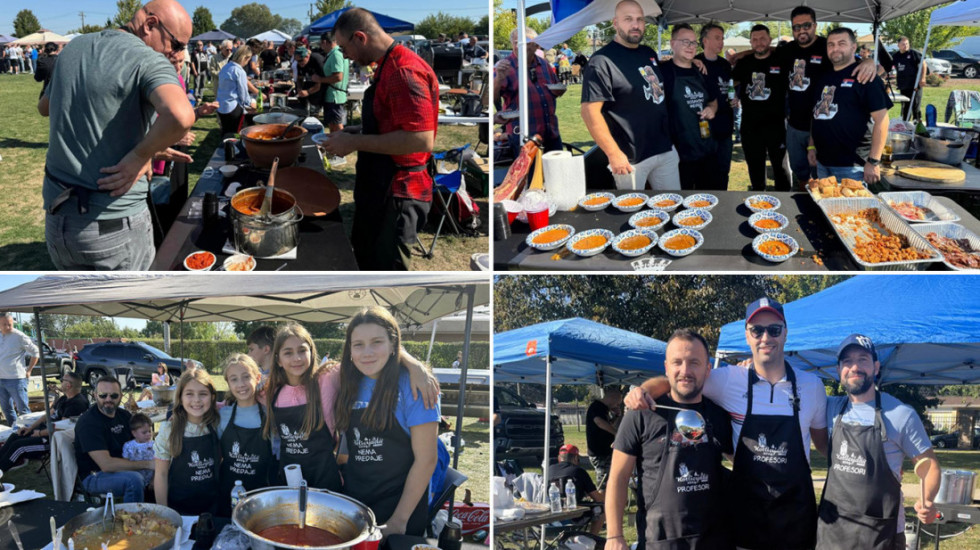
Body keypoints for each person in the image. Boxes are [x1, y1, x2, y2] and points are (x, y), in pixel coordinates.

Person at [627, 297, 829, 550]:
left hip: (796, 519)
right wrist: (643, 389)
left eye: (774, 329)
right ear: (747, 335)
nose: (765, 337)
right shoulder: (728, 379)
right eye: (757, 330)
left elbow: (824, 444)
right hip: (747, 518)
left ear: (785, 334)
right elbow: (681, 380)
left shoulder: (812, 386)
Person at [38, 0, 196, 270]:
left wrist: (145, 144)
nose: (178, 53)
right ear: (150, 25)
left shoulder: (73, 47)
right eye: (178, 44)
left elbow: (45, 107)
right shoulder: (147, 58)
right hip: (114, 224)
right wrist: (140, 155)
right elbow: (181, 116)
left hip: (58, 222)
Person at [319, 8, 440, 272]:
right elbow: (392, 122)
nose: (345, 56)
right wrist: (352, 132)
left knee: (385, 272)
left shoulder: (402, 72)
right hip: (381, 185)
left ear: (360, 37)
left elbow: (420, 140)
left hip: (399, 190)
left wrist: (354, 143)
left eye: (344, 47)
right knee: (364, 259)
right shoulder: (387, 65)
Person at [607, 329, 733, 550]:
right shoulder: (641, 414)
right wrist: (614, 536)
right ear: (666, 367)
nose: (685, 371)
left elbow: (742, 465)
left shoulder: (719, 415)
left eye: (694, 363)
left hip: (712, 539)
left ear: (707, 369)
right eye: (677, 362)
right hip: (659, 540)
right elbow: (618, 477)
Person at [816, 334, 941, 550]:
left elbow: (930, 467)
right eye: (847, 361)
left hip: (881, 535)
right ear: (838, 370)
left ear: (875, 367)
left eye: (862, 359)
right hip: (833, 534)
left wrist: (927, 501)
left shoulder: (901, 414)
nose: (855, 367)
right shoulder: (829, 408)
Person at [334, 307, 439, 537]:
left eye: (377, 342)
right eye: (358, 344)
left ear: (393, 345)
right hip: (356, 506)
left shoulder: (415, 387)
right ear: (349, 350)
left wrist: (399, 520)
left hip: (398, 513)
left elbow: (427, 460)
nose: (367, 352)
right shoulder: (347, 383)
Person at [581, 0, 680, 191]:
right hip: (629, 158)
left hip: (664, 148)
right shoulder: (601, 61)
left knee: (672, 207)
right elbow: (589, 112)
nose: (635, 25)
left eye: (640, 19)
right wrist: (613, 153)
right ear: (616, 23)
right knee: (631, 215)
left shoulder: (648, 52)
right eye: (628, 19)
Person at [773, 6, 877, 186]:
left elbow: (851, 61)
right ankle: (804, 196)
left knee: (821, 177)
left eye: (806, 25)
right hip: (794, 125)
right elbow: (764, 52)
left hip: (823, 126)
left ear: (814, 25)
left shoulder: (827, 46)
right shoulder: (786, 51)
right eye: (796, 27)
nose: (801, 30)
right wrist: (741, 54)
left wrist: (869, 61)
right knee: (801, 172)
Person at [808, 27, 891, 184]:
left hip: (852, 166)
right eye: (831, 44)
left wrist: (873, 161)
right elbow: (817, 114)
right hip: (822, 162)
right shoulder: (823, 78)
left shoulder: (866, 76)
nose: (835, 48)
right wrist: (811, 147)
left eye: (841, 43)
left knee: (851, 209)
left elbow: (882, 119)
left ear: (854, 47)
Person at [661, 24, 720, 190]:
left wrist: (711, 109)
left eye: (693, 43)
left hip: (706, 150)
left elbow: (713, 100)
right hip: (678, 154)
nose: (690, 46)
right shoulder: (662, 72)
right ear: (672, 44)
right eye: (685, 41)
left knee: (708, 199)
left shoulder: (702, 71)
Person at [154, 369, 220, 515]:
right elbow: (161, 474)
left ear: (212, 396)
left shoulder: (218, 424)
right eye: (189, 394)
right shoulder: (168, 430)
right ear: (180, 398)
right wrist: (164, 513)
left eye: (203, 394)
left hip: (212, 508)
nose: (196, 400)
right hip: (178, 509)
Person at [732, 25, 791, 191]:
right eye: (755, 39)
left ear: (770, 40)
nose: (759, 43)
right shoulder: (744, 63)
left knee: (781, 168)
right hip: (750, 127)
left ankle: (784, 203)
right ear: (750, 41)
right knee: (755, 169)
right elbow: (731, 82)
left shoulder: (780, 59)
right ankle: (758, 202)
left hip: (776, 126)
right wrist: (732, 95)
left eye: (763, 38)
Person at [74, 376, 150, 502]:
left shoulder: (125, 416)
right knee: (134, 480)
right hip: (95, 475)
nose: (108, 399)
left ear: (120, 396)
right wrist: (148, 464)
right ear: (95, 395)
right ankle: (132, 519)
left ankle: (163, 513)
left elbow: (141, 442)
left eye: (114, 396)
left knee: (165, 468)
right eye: (103, 395)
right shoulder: (88, 423)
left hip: (123, 468)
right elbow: (106, 465)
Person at [217, 353, 273, 517]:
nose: (240, 384)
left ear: (257, 378)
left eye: (246, 376)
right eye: (234, 379)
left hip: (262, 498)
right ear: (228, 383)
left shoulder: (270, 416)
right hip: (227, 495)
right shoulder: (222, 415)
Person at [494, 27, 564, 156]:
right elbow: (493, 98)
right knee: (530, 175)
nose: (521, 46)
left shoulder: (543, 64)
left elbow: (555, 87)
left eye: (527, 42)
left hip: (550, 131)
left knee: (556, 173)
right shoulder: (505, 66)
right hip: (523, 135)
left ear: (537, 45)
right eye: (517, 42)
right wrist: (498, 78)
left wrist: (559, 91)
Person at [0, 372, 87, 472]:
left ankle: (1, 470)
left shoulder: (77, 403)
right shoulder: (64, 398)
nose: (60, 382)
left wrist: (40, 433)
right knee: (15, 436)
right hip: (44, 432)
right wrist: (30, 428)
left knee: (19, 446)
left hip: (53, 440)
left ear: (68, 385)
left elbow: (63, 428)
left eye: (62, 380)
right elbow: (47, 415)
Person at [695, 23, 735, 190]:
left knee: (723, 170)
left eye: (722, 38)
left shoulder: (725, 64)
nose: (722, 42)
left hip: (725, 126)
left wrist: (735, 98)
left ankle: (722, 203)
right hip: (705, 127)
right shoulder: (695, 63)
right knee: (704, 172)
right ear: (705, 40)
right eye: (717, 38)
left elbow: (729, 87)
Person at [548, 444, 605, 534]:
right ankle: (591, 538)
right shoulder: (579, 471)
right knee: (601, 508)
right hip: (574, 513)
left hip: (551, 513)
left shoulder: (549, 470)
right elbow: (597, 498)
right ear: (575, 458)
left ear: (559, 458)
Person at [317, 33, 350, 167]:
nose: (321, 46)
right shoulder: (334, 54)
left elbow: (338, 77)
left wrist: (319, 79)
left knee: (337, 126)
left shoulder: (336, 54)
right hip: (332, 96)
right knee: (333, 125)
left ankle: (341, 154)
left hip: (335, 96)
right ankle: (335, 151)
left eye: (321, 43)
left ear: (325, 42)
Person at [0, 313, 38, 425]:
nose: (7, 326)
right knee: (6, 409)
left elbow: (36, 352)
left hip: (16, 379)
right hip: (1, 379)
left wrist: (29, 370)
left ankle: (29, 432)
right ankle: (14, 431)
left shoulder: (20, 336)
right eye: (4, 324)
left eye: (10, 324)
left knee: (23, 410)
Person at [585, 385, 622, 490]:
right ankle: (602, 501)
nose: (617, 405)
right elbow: (600, 422)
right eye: (617, 403)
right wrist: (617, 433)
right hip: (599, 451)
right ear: (612, 399)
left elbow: (607, 423)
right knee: (603, 480)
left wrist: (616, 417)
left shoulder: (604, 409)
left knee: (609, 476)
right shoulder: (597, 407)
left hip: (605, 450)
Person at [216, 45, 258, 137]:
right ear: (246, 58)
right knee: (236, 134)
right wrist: (251, 103)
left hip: (221, 106)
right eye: (248, 60)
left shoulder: (225, 67)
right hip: (232, 108)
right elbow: (243, 94)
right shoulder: (239, 71)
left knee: (225, 133)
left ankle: (225, 149)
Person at [893, 36, 927, 122]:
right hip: (903, 85)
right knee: (905, 106)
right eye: (903, 44)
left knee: (915, 106)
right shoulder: (896, 56)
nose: (906, 46)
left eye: (907, 44)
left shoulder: (914, 53)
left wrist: (923, 78)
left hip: (915, 85)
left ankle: (917, 125)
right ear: (898, 45)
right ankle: (905, 124)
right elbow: (887, 67)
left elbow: (923, 64)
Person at [121, 412, 155, 488]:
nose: (148, 434)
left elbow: (157, 464)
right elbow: (125, 463)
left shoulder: (154, 445)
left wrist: (154, 480)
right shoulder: (128, 446)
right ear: (134, 433)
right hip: (135, 481)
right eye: (144, 432)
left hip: (151, 481)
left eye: (149, 431)